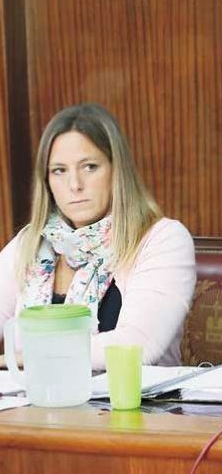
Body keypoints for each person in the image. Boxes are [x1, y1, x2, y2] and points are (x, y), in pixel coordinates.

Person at [0, 103, 196, 369]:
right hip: (36, 404)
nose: (75, 185)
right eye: (59, 170)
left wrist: (25, 358)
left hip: (135, 408)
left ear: (117, 171)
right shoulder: (31, 242)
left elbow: (137, 346)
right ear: (46, 181)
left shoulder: (163, 239)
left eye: (90, 167)